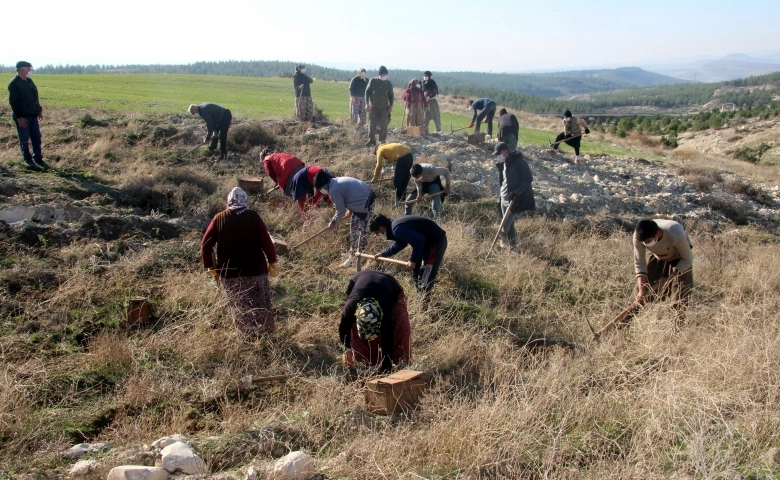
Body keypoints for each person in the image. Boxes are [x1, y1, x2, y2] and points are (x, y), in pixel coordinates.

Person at [201, 187, 278, 337]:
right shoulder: (253, 216)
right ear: (245, 201)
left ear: (229, 201)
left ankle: (246, 337)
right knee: (261, 302)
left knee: (239, 305)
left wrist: (210, 266)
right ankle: (265, 335)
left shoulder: (219, 218)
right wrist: (272, 261)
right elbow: (266, 242)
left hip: (230, 274)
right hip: (256, 270)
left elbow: (205, 244)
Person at [339, 270, 411, 373]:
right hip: (359, 281)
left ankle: (402, 364)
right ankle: (371, 364)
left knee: (402, 325)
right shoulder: (351, 307)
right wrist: (347, 349)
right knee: (354, 331)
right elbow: (343, 328)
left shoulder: (386, 312)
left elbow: (388, 340)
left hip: (390, 288)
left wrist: (386, 370)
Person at [369, 214, 447, 294]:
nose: (377, 235)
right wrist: (383, 254)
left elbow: (419, 240)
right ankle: (420, 296)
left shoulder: (397, 228)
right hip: (425, 244)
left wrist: (413, 260)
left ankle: (423, 303)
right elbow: (400, 243)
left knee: (426, 274)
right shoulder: (393, 225)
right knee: (416, 271)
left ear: (381, 228)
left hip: (435, 243)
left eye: (376, 233)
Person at [314, 170, 376, 268]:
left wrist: (334, 221)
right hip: (365, 196)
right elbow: (349, 194)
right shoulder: (335, 182)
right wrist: (350, 210)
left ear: (324, 185)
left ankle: (354, 258)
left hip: (365, 202)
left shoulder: (333, 189)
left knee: (359, 231)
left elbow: (340, 210)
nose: (321, 190)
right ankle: (353, 252)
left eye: (320, 188)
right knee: (354, 229)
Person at [633, 219, 693, 316]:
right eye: (643, 242)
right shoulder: (638, 235)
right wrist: (642, 289)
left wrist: (669, 278)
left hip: (679, 259)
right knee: (639, 296)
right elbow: (640, 263)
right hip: (657, 256)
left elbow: (688, 259)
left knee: (680, 298)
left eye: (648, 241)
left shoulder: (675, 232)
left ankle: (675, 327)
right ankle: (620, 325)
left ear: (657, 234)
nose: (645, 243)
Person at [492, 142, 535, 249]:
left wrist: (517, 191)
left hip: (515, 198)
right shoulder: (503, 164)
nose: (498, 157)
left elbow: (528, 179)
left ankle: (503, 236)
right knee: (510, 225)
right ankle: (513, 248)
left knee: (505, 224)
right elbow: (504, 182)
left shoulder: (519, 163)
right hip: (504, 197)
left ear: (506, 151)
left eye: (499, 154)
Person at [8, 61, 49, 171]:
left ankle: (38, 159)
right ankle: (28, 160)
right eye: (28, 69)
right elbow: (13, 102)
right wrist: (19, 117)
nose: (30, 71)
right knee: (24, 139)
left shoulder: (29, 81)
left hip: (32, 115)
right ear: (22, 70)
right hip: (22, 117)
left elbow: (35, 97)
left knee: (36, 137)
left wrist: (39, 110)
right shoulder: (14, 84)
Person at [364, 66, 394, 146]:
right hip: (373, 107)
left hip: (384, 107)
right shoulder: (373, 81)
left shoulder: (388, 83)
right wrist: (367, 104)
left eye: (386, 74)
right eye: (383, 74)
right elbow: (367, 92)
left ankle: (382, 141)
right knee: (372, 124)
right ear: (379, 74)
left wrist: (391, 106)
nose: (384, 75)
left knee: (383, 125)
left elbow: (391, 95)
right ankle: (371, 140)